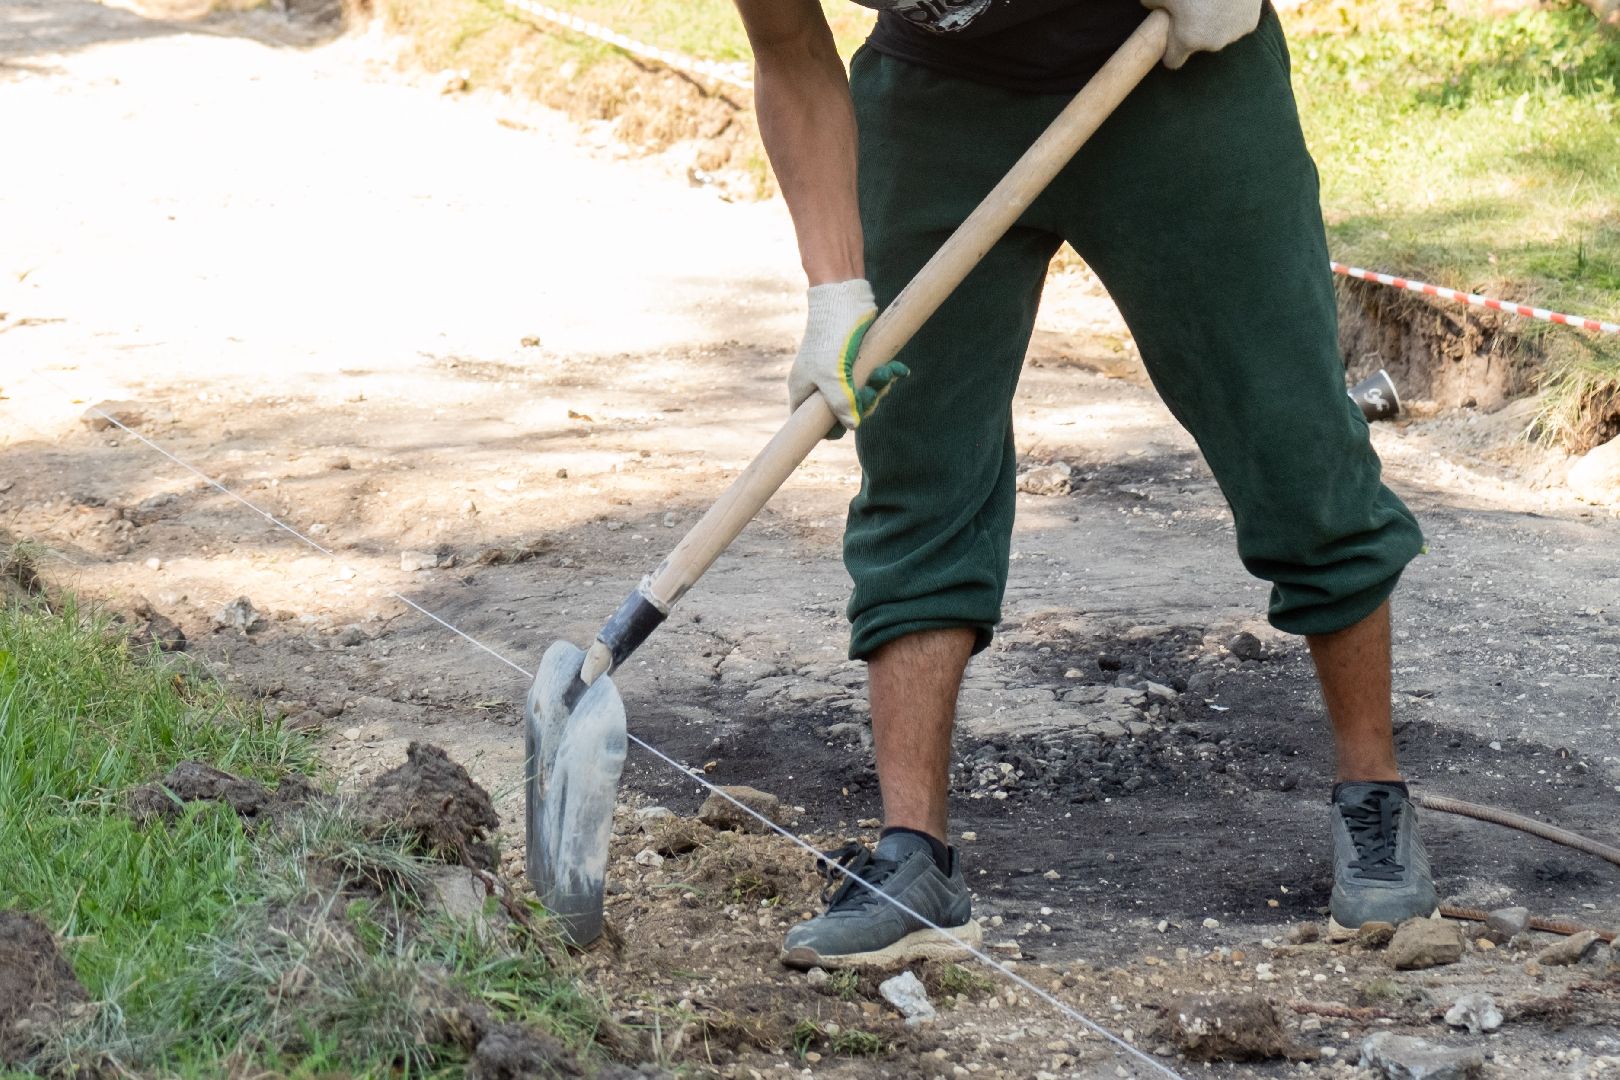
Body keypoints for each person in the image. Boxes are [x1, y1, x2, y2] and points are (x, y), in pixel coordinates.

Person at [730, 0, 1438, 969]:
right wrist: (835, 289)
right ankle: (914, 860)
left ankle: (1373, 799)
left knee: (1291, 432)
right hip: (940, 97)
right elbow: (789, 50)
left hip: (1167, 68)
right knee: (916, 457)